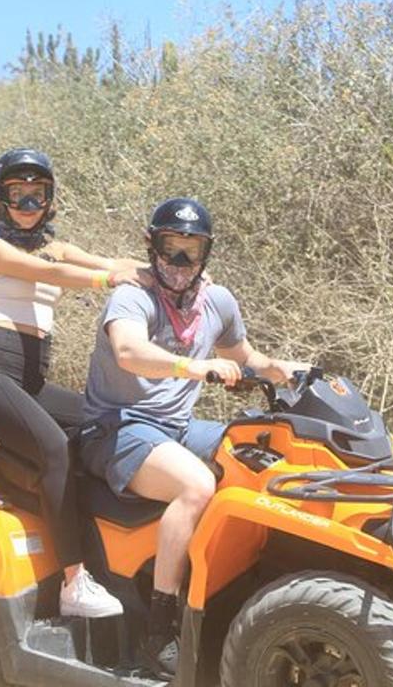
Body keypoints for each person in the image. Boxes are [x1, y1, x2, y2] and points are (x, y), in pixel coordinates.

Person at [79, 197, 310, 676]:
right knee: (196, 485)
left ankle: (248, 588)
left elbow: (247, 355)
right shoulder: (132, 297)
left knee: (261, 452)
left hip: (177, 428)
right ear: (152, 246)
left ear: (207, 252)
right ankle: (160, 627)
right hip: (115, 428)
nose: (180, 263)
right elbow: (129, 351)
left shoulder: (217, 302)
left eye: (192, 250)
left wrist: (283, 369)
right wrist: (193, 366)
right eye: (171, 249)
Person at [0, 147, 151, 619]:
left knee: (105, 419)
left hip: (32, 379)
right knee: (54, 448)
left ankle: (115, 550)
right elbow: (50, 274)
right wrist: (107, 281)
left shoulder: (56, 246)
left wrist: (174, 275)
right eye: (17, 195)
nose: (27, 205)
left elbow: (108, 260)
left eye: (37, 195)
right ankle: (74, 582)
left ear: (49, 201)